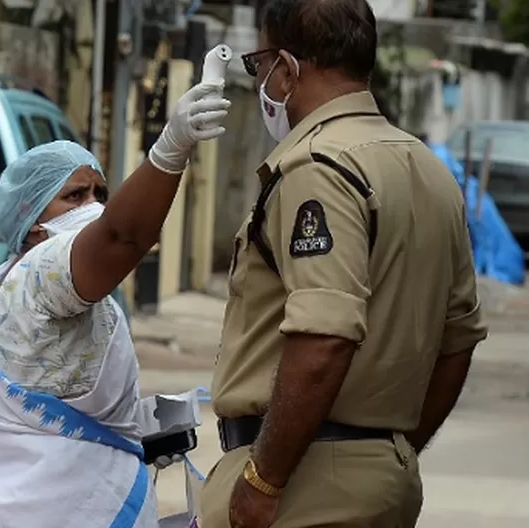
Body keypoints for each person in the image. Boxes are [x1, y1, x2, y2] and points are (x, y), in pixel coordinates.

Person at [199, 1, 489, 527]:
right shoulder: (426, 169)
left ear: (287, 68)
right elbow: (458, 339)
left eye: (258, 64)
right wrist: (386, 453)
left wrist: (265, 477)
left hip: (300, 485)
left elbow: (324, 337)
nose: (261, 79)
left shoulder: (318, 167)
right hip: (379, 477)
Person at [0, 82, 231, 527]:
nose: (94, 207)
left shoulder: (38, 284)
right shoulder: (42, 272)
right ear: (33, 221)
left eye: (100, 193)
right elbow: (123, 237)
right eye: (75, 196)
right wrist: (170, 149)